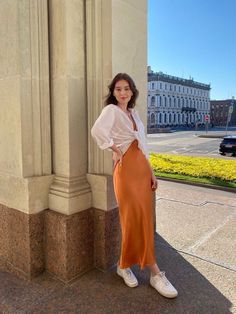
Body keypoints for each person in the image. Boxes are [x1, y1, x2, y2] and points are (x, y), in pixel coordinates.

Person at [91, 73, 178, 298]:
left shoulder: (134, 113)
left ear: (132, 91)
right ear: (113, 92)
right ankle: (155, 272)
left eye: (126, 88)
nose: (122, 93)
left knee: (144, 219)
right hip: (126, 171)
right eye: (118, 89)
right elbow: (97, 131)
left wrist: (152, 173)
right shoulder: (111, 111)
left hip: (142, 171)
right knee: (132, 218)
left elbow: (144, 147)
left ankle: (124, 265)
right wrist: (115, 149)